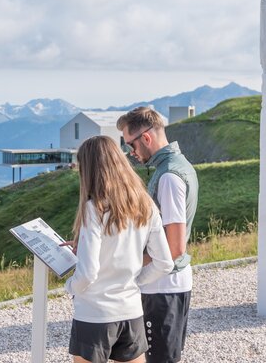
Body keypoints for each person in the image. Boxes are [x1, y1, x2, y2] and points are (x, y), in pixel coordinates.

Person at [64, 135, 174, 363]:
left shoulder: (93, 208)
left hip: (94, 314)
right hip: (131, 311)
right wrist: (135, 282)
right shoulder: (146, 204)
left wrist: (70, 286)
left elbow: (88, 273)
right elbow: (165, 263)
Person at [117, 107, 199, 363]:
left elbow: (175, 248)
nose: (131, 152)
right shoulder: (175, 166)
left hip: (164, 286)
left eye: (130, 144)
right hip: (167, 283)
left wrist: (127, 263)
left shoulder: (169, 178)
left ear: (146, 138)